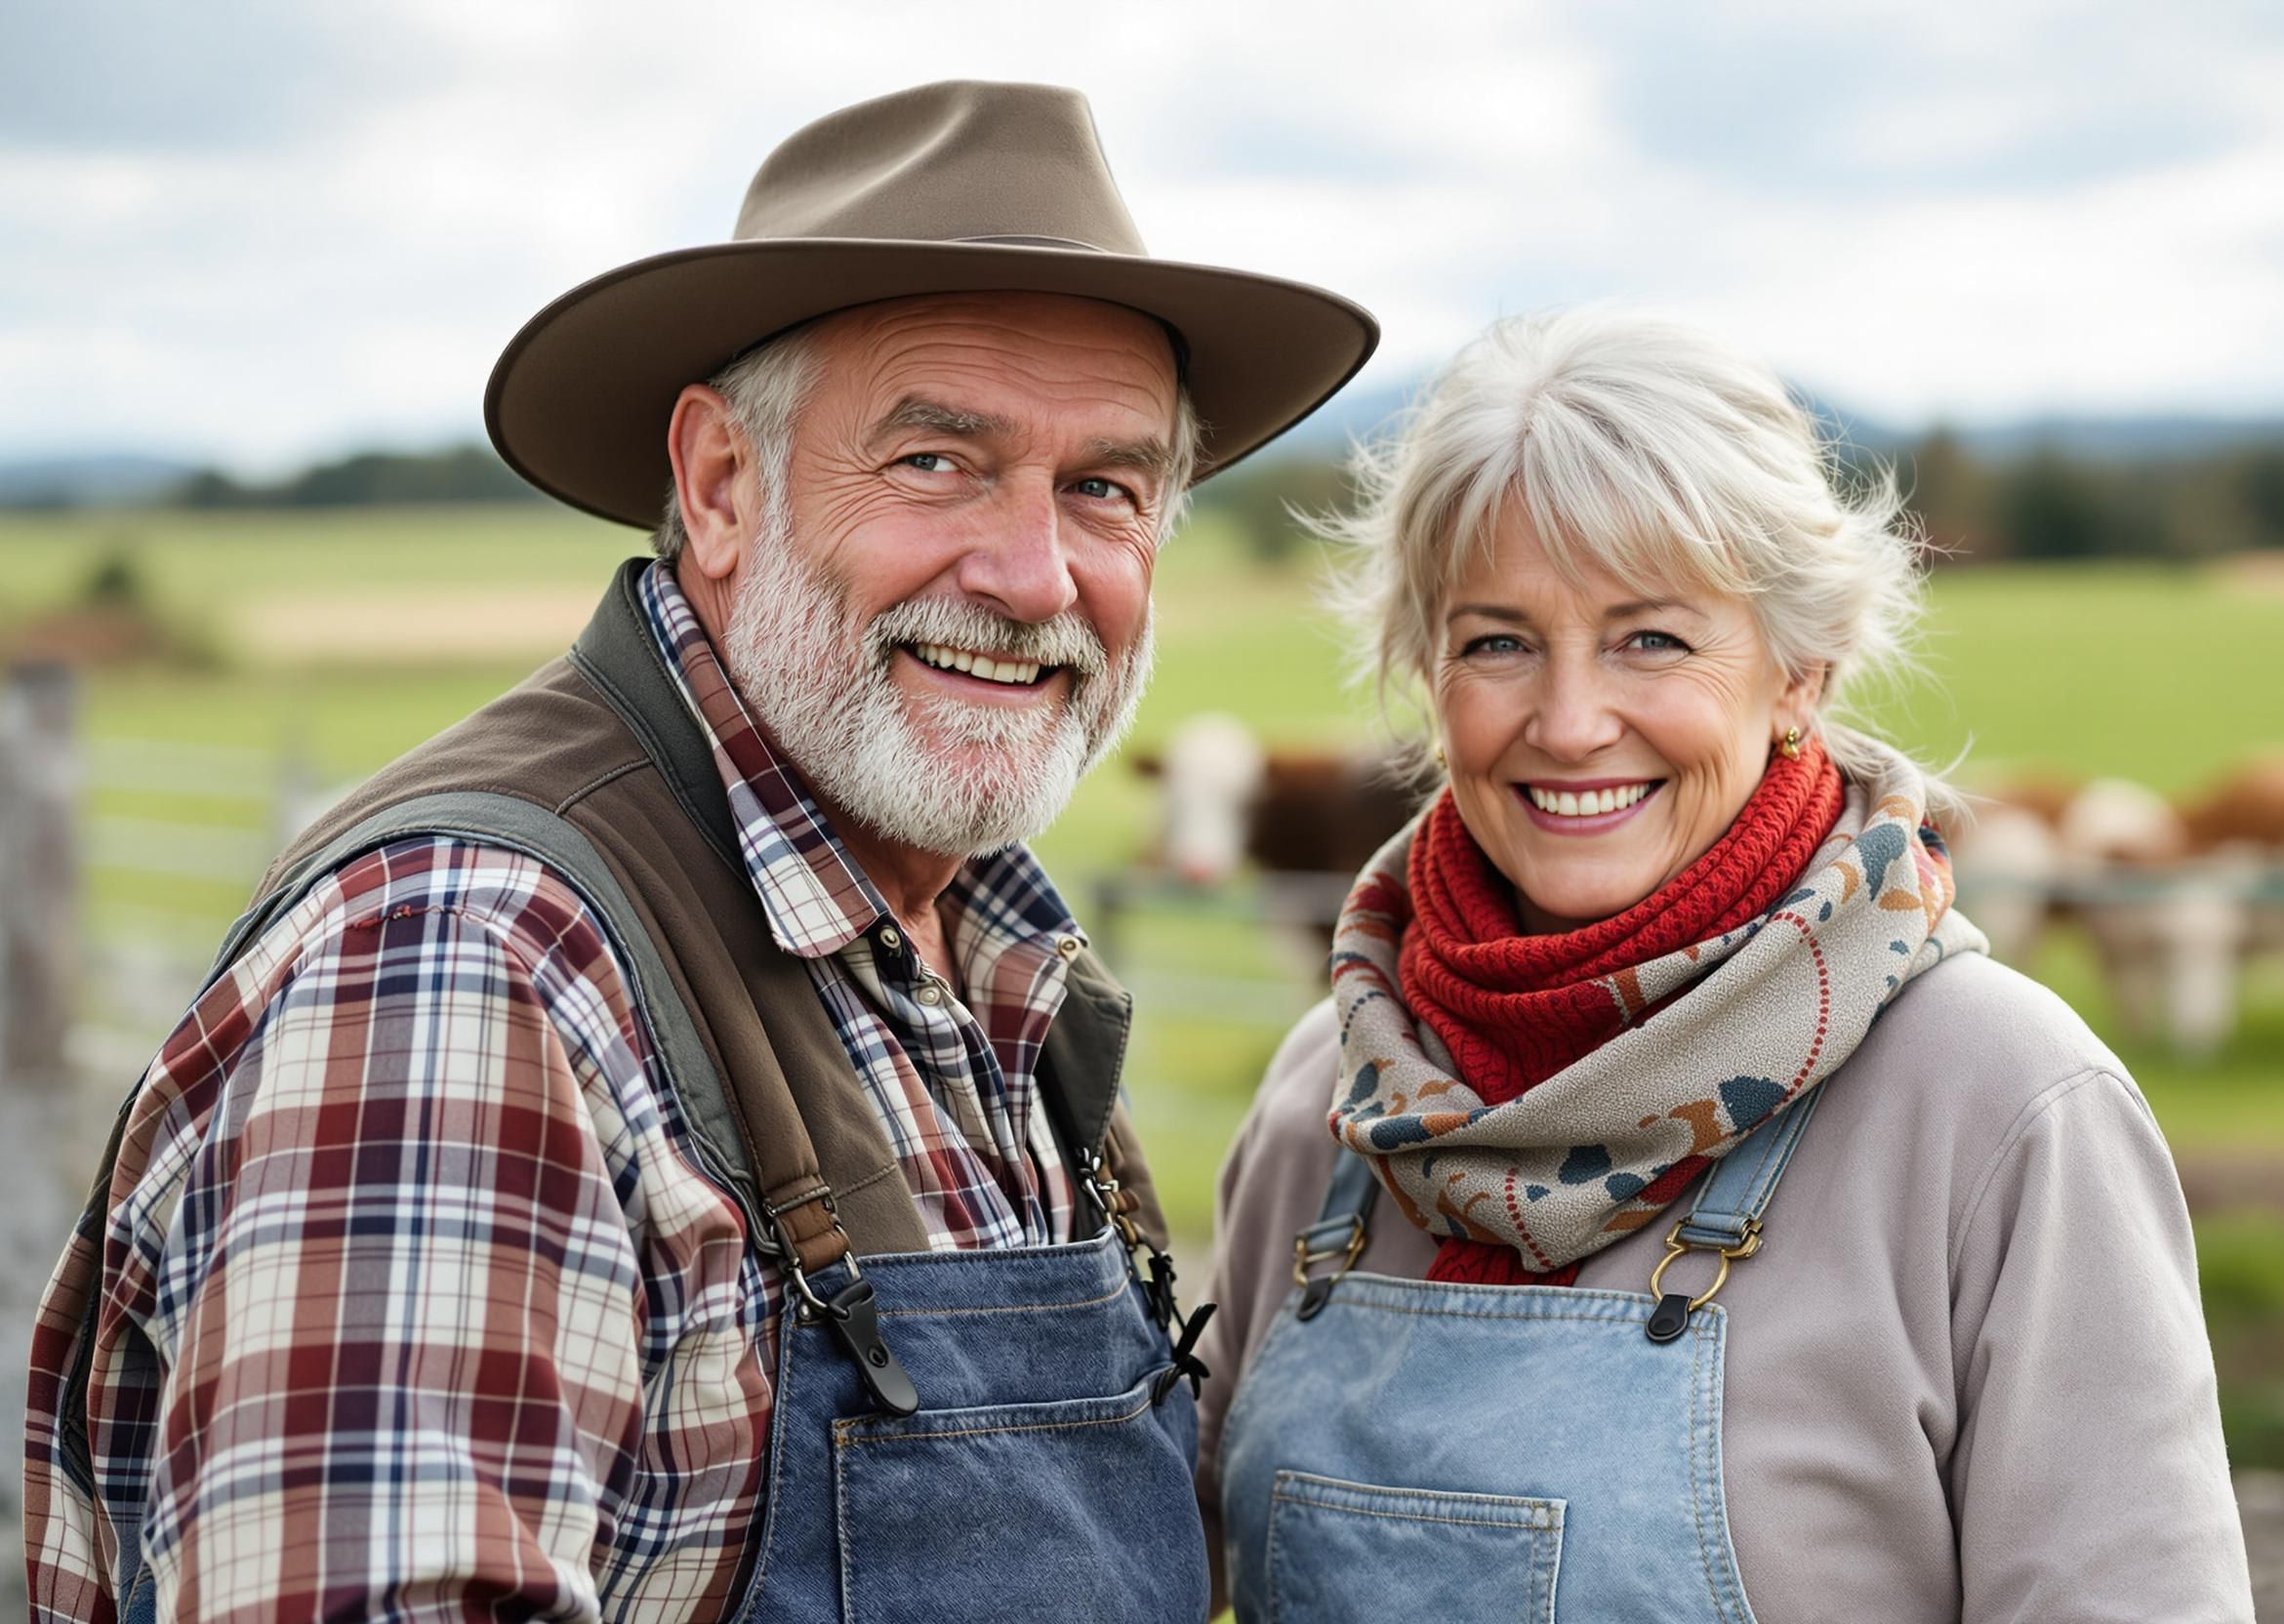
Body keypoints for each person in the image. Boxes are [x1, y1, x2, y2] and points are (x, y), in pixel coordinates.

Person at [24, 81, 1375, 1624]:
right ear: (722, 486)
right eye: (936, 463)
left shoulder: (986, 961)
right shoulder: (465, 972)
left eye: (1103, 490)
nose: (1033, 576)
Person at [1195, 307, 2254, 1621]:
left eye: (1652, 638)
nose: (1569, 723)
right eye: (1497, 641)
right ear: (1427, 670)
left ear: (1800, 671)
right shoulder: (1336, 1092)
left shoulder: (1999, 1106)